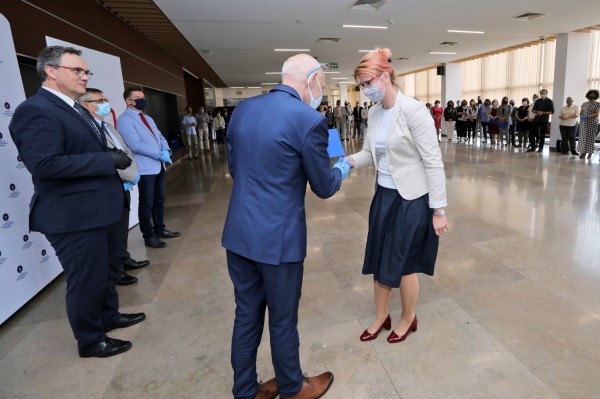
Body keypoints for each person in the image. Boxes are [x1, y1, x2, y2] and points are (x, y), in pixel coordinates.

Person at [222, 54, 348, 399]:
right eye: (322, 83)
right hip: (279, 240)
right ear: (310, 80)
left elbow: (234, 167)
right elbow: (323, 187)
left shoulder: (243, 111)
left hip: (239, 233)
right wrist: (341, 170)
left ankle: (245, 391)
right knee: (282, 318)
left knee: (246, 316)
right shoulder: (308, 120)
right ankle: (293, 387)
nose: (322, 90)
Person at [9, 46, 145, 358]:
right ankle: (90, 339)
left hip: (103, 209)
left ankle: (109, 315)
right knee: (87, 279)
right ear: (51, 71)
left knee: (107, 271)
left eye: (86, 72)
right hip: (75, 215)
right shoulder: (35, 110)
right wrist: (105, 160)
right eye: (77, 71)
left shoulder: (75, 107)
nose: (85, 76)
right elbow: (45, 164)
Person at [345, 48, 448, 347]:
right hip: (384, 197)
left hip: (411, 199)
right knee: (379, 257)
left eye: (367, 83)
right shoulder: (374, 112)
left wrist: (438, 209)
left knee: (403, 263)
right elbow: (369, 153)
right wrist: (349, 162)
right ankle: (380, 316)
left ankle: (407, 317)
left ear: (385, 76)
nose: (365, 90)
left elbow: (433, 162)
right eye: (361, 85)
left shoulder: (414, 111)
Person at [79, 88, 148, 286]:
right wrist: (127, 174)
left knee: (121, 228)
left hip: (123, 181)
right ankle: (116, 271)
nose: (105, 103)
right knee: (112, 231)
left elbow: (125, 151)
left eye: (105, 98)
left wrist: (132, 173)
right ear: (85, 105)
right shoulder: (88, 129)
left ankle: (124, 259)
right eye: (99, 100)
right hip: (110, 184)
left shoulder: (108, 126)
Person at [117, 88, 181, 248]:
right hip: (145, 168)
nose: (142, 100)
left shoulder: (147, 117)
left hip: (159, 166)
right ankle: (149, 235)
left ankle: (160, 228)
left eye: (143, 97)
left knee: (160, 199)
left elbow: (159, 136)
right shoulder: (125, 120)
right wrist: (159, 155)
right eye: (138, 97)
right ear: (129, 101)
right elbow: (135, 145)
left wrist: (166, 150)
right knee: (147, 202)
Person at [578, 90, 600, 159]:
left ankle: (590, 153)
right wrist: (581, 116)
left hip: (592, 123)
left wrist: (587, 116)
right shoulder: (584, 103)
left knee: (590, 138)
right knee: (583, 138)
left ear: (596, 96)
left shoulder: (597, 104)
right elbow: (581, 112)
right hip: (584, 123)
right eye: (590, 94)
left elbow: (596, 114)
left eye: (593, 94)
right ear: (588, 95)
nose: (592, 95)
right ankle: (583, 153)